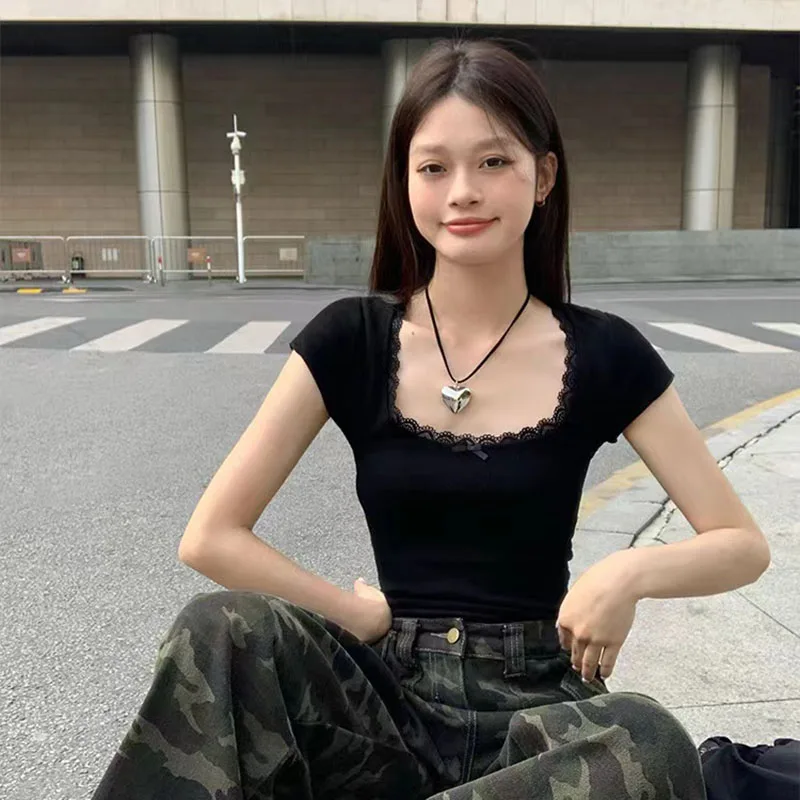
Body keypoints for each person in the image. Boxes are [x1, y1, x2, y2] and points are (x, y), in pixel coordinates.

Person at [92, 38, 771, 800]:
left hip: (537, 716)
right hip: (384, 707)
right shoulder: (351, 340)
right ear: (405, 182)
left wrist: (629, 572)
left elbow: (740, 544)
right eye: (434, 168)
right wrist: (351, 614)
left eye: (493, 161)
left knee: (650, 740)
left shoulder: (606, 354)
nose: (463, 192)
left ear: (544, 176)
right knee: (220, 628)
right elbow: (211, 535)